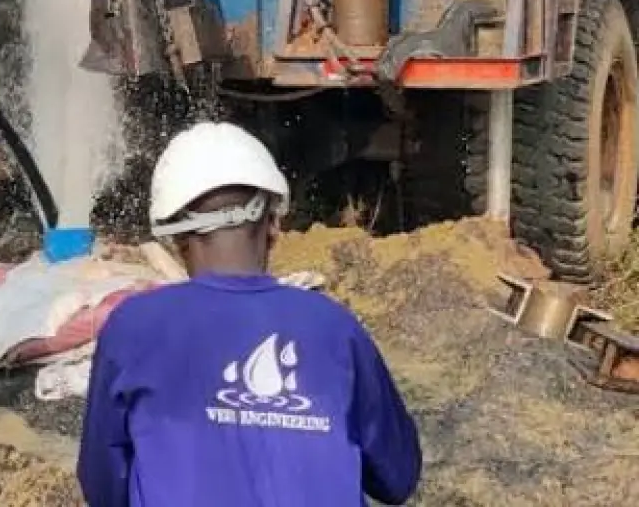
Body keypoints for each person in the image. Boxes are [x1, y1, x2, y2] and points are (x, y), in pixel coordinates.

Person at [77, 121, 422, 506]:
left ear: (176, 238)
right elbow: (398, 477)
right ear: (273, 223)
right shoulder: (335, 327)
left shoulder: (133, 327)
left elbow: (103, 486)